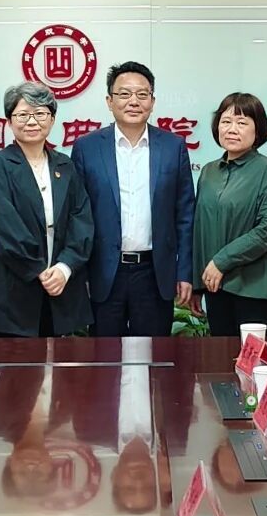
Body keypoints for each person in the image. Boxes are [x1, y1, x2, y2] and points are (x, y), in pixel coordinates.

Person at [70, 62, 195, 337]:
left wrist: (184, 272)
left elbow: (185, 215)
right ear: (109, 101)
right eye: (124, 94)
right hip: (104, 272)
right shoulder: (87, 148)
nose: (134, 101)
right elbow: (77, 217)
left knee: (153, 354)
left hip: (154, 272)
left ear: (152, 101)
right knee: (105, 356)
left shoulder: (173, 147)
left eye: (142, 94)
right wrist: (80, 274)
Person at [0, 82, 93, 337]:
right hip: (14, 291)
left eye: (40, 114)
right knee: (15, 362)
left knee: (61, 362)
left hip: (62, 289)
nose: (32, 121)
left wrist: (64, 268)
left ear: (52, 119)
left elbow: (81, 220)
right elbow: (6, 228)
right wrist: (40, 270)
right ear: (9, 121)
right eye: (22, 115)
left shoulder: (65, 165)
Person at [192, 93, 267, 338]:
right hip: (216, 288)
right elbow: (199, 228)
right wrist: (197, 285)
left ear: (258, 130)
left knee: (257, 359)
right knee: (222, 359)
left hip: (257, 290)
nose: (232, 129)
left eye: (242, 122)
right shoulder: (209, 172)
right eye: (226, 122)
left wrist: (221, 262)